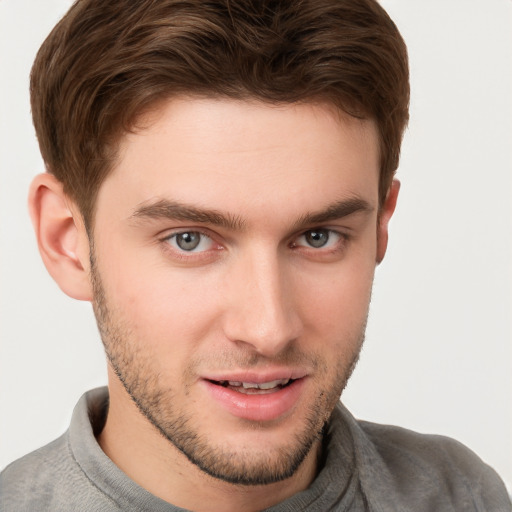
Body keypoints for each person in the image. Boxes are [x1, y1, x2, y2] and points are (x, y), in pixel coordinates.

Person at [0, 0, 510, 510]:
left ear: (380, 224)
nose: (268, 328)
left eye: (318, 237)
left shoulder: (462, 496)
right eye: (190, 240)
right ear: (67, 240)